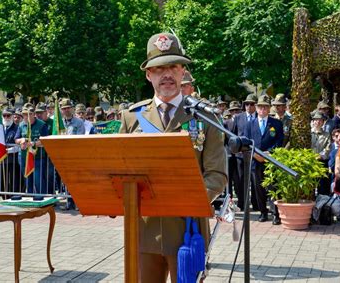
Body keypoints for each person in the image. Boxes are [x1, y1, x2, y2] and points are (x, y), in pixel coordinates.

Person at [119, 32, 227, 281]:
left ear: (182, 72)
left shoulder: (204, 117)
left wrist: (184, 201)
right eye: (159, 69)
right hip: (144, 229)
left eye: (173, 67)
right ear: (148, 74)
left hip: (186, 228)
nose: (166, 74)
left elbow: (217, 175)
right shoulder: (132, 117)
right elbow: (120, 169)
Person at [245, 95, 284, 224]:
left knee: (273, 188)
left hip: (271, 161)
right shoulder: (250, 124)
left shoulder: (276, 124)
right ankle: (263, 212)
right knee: (258, 188)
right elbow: (246, 142)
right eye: (260, 107)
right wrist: (254, 153)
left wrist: (270, 153)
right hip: (255, 160)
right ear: (256, 108)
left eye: (265, 107)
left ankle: (275, 214)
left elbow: (279, 141)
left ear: (269, 109)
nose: (262, 109)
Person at [14, 104, 49, 195]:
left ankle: (42, 199)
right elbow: (16, 139)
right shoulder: (21, 125)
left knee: (39, 181)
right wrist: (21, 140)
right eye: (25, 114)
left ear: (34, 114)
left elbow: (45, 140)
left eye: (29, 114)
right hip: (24, 157)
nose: (27, 116)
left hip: (38, 157)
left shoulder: (42, 125)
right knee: (27, 180)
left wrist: (32, 143)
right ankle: (30, 199)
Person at [232, 93, 258, 211]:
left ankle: (256, 203)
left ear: (256, 105)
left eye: (251, 104)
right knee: (241, 180)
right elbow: (233, 135)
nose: (248, 106)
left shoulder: (260, 117)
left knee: (255, 180)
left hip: (256, 155)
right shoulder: (238, 117)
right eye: (246, 104)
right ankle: (242, 203)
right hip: (240, 155)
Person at [1, 106, 23, 194]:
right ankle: (5, 197)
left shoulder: (17, 128)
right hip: (2, 159)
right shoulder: (0, 128)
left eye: (8, 115)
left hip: (13, 160)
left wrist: (7, 151)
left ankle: (14, 197)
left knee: (14, 181)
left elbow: (18, 144)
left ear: (12, 116)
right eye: (4, 115)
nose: (6, 117)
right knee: (3, 181)